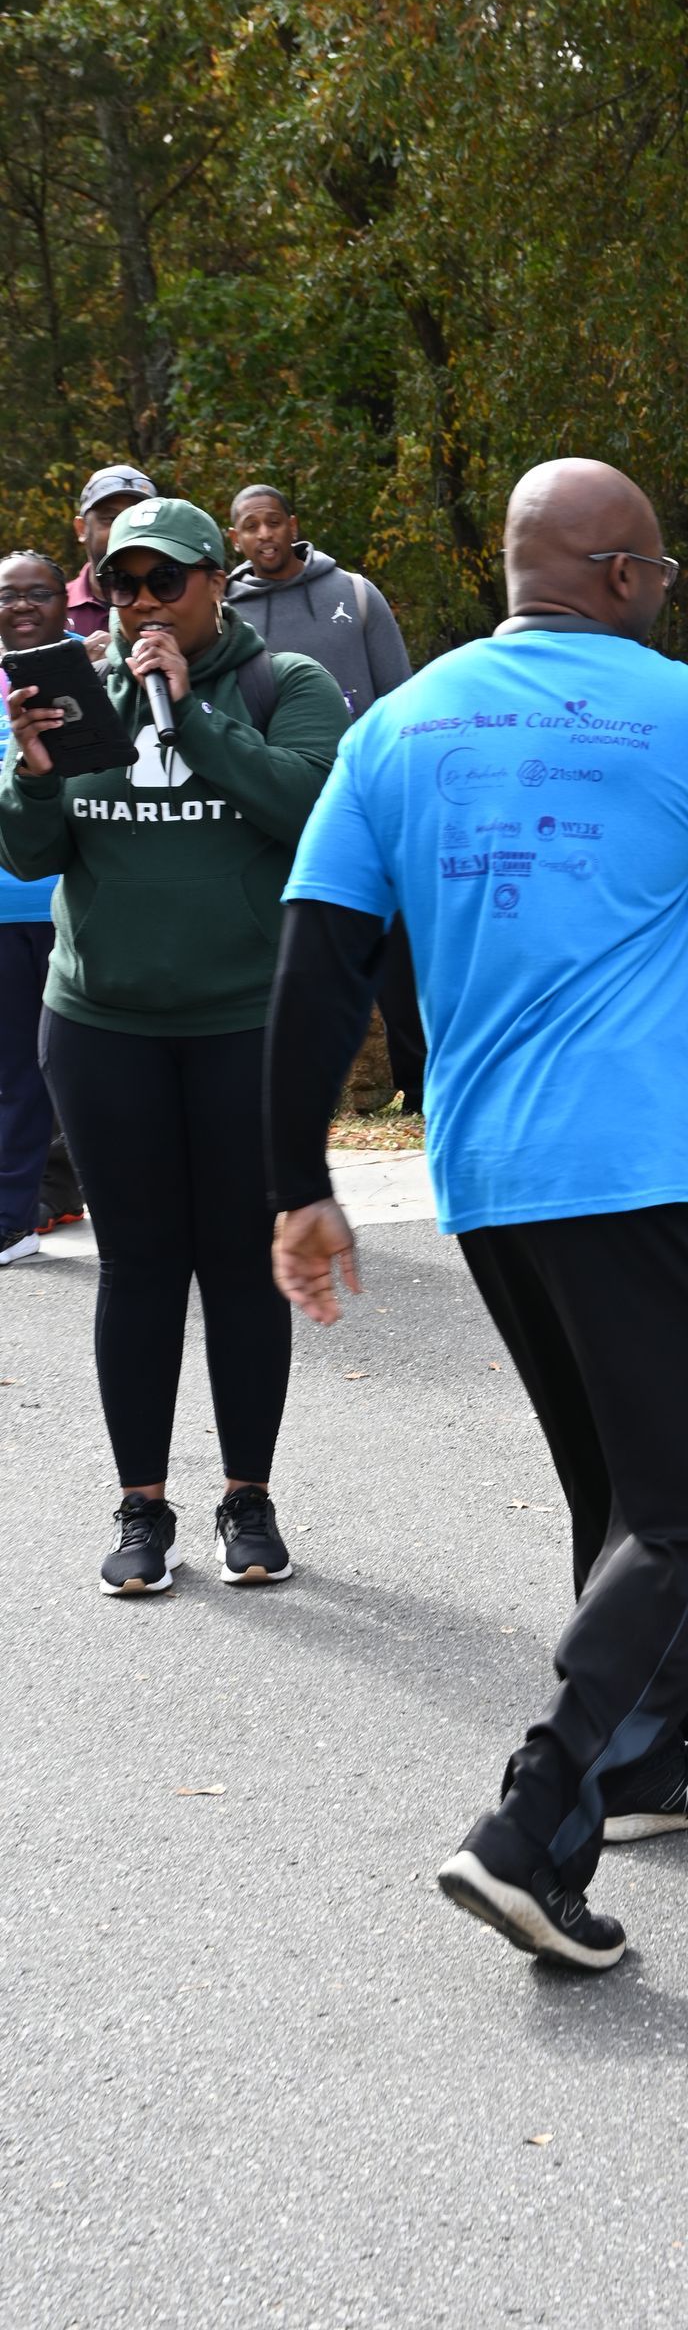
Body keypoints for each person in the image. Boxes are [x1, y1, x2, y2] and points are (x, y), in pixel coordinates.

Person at [266, 457, 688, 1972]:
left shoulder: (396, 725)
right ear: (626, 575)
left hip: (488, 1177)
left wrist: (296, 1182)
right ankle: (539, 1815)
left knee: (621, 1472)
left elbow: (315, 962)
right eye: (662, 573)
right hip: (640, 1164)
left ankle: (647, 1761)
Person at [0, 497, 349, 1593]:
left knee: (242, 1266)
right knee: (140, 1266)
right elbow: (32, 854)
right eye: (122, 583)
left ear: (215, 583)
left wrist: (192, 714)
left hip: (246, 1024)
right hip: (102, 1026)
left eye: (165, 581)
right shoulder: (78, 689)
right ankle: (142, 1507)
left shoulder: (283, 685)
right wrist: (31, 772)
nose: (141, 602)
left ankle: (248, 1497)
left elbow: (308, 811)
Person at [224, 483, 427, 1110]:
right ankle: (294, 1093)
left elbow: (400, 699)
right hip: (272, 799)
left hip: (364, 796)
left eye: (273, 522)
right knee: (286, 945)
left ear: (293, 525)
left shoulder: (354, 594)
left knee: (394, 944)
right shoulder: (223, 611)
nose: (264, 535)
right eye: (250, 526)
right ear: (234, 538)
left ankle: (421, 1085)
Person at [0, 554, 87, 1261]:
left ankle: (133, 1203)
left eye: (39, 593)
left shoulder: (103, 670)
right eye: (8, 595)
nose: (23, 605)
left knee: (94, 1070)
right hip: (4, 910)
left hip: (81, 905)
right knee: (14, 1075)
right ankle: (12, 1218)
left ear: (67, 600)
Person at [66, 463, 158, 645]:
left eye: (138, 517)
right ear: (81, 529)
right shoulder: (53, 609)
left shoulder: (177, 604)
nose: (125, 530)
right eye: (111, 519)